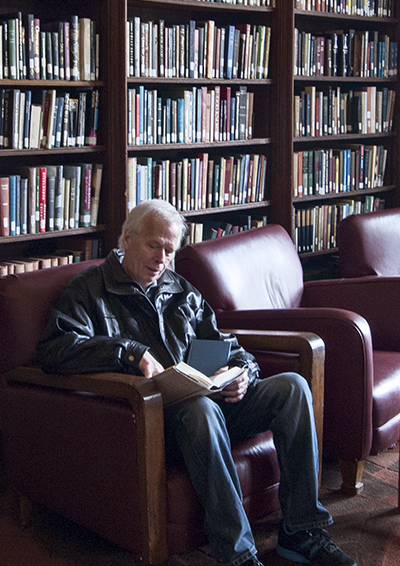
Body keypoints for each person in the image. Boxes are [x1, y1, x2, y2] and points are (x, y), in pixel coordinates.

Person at [36, 199, 355, 566]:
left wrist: (242, 376)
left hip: (210, 409)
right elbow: (55, 349)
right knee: (200, 409)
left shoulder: (181, 291)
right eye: (154, 245)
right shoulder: (90, 291)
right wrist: (128, 353)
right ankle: (237, 555)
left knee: (293, 388)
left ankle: (301, 531)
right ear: (127, 238)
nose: (162, 258)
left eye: (170, 250)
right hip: (151, 422)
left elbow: (226, 348)